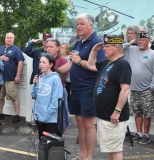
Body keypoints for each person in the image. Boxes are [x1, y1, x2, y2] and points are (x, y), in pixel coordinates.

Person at [58, 13, 105, 160]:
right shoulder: (79, 42)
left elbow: (100, 67)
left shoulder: (96, 43)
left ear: (90, 26)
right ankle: (82, 155)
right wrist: (54, 70)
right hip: (76, 87)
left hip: (89, 88)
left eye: (81, 24)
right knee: (79, 121)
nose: (78, 26)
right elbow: (71, 63)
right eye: (77, 24)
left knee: (89, 123)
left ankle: (89, 157)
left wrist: (79, 62)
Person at [87, 35, 131, 160]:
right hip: (104, 115)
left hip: (113, 115)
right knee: (110, 149)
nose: (104, 49)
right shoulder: (108, 62)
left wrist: (117, 111)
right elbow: (90, 65)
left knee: (115, 149)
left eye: (106, 47)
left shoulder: (122, 64)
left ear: (116, 47)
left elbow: (125, 89)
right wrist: (94, 50)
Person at [123, 30, 154, 144]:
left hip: (147, 89)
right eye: (139, 40)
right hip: (133, 88)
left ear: (148, 41)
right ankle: (139, 133)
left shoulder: (153, 54)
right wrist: (129, 43)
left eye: (143, 40)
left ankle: (146, 135)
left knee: (147, 113)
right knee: (137, 112)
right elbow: (120, 48)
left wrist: (152, 87)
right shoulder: (132, 50)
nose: (140, 42)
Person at [31, 52, 63, 138]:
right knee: (41, 141)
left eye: (44, 62)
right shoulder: (40, 77)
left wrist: (48, 113)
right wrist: (35, 84)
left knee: (50, 142)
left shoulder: (55, 78)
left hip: (49, 118)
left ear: (51, 64)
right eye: (40, 62)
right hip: (39, 115)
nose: (41, 64)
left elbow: (56, 98)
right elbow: (34, 95)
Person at [0, 32, 24, 123]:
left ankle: (17, 115)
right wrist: (0, 58)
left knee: (13, 96)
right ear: (5, 38)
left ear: (13, 39)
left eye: (10, 38)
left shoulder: (16, 50)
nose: (8, 39)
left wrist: (17, 76)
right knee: (0, 97)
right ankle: (0, 113)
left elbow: (20, 63)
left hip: (11, 78)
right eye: (7, 37)